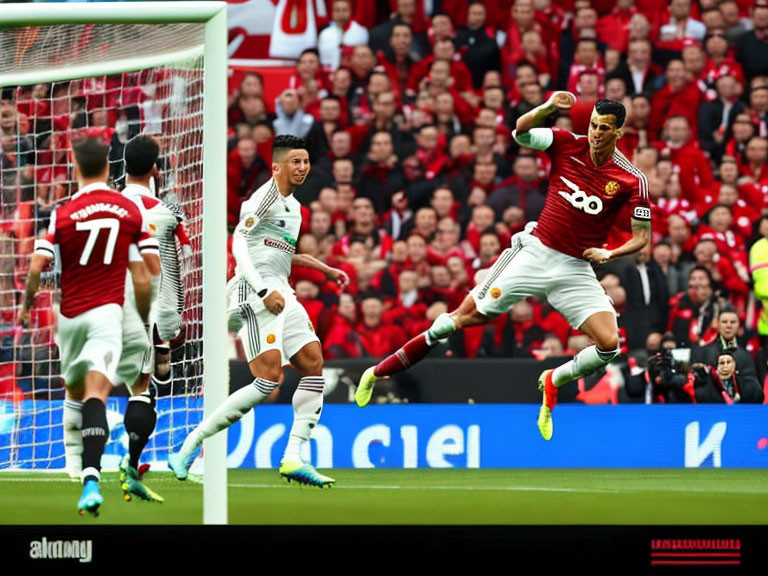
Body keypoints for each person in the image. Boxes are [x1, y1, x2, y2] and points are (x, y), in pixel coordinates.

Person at [355, 93, 651, 443]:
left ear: (618, 133)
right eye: (593, 125)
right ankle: (376, 372)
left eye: (604, 128)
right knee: (461, 320)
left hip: (575, 266)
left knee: (609, 344)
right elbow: (521, 133)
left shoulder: (632, 180)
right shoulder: (566, 143)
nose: (596, 134)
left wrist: (610, 254)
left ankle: (554, 379)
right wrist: (547, 108)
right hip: (535, 251)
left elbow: (641, 237)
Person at [168, 136, 349, 487]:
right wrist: (264, 290)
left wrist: (324, 269)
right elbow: (239, 242)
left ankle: (293, 456)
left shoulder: (294, 208)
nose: (303, 168)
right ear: (277, 166)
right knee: (267, 379)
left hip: (281, 290)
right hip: (252, 293)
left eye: (306, 161)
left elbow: (280, 253)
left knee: (313, 363)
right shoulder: (262, 199)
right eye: (295, 162)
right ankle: (189, 447)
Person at [17, 135, 159, 515]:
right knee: (97, 393)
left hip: (68, 316)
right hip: (106, 313)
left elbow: (36, 265)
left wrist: (27, 305)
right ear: (109, 168)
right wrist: (145, 316)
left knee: (73, 391)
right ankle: (90, 476)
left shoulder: (62, 213)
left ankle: (71, 463)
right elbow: (144, 275)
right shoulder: (128, 211)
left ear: (75, 168)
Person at [115, 134, 192, 503]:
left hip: (100, 305)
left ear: (123, 166)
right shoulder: (166, 215)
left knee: (94, 389)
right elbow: (180, 269)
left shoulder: (106, 206)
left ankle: (89, 472)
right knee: (144, 390)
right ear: (156, 170)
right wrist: (172, 326)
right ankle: (129, 468)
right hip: (144, 311)